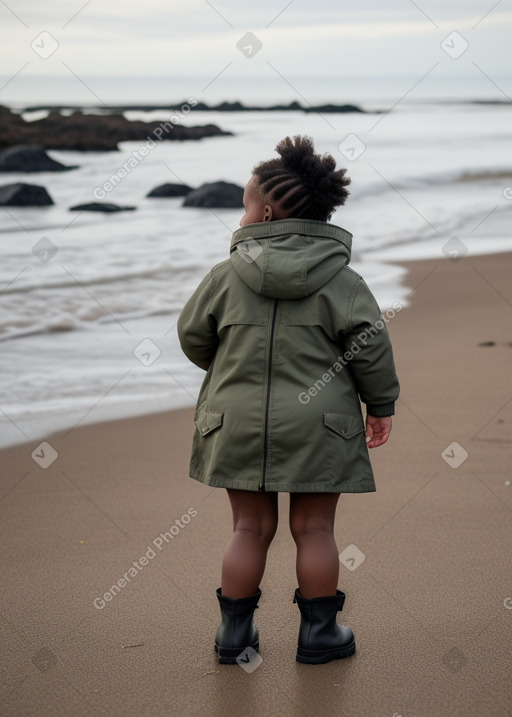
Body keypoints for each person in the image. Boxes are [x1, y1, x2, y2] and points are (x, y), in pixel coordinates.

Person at [177, 135, 399, 665]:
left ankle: (235, 637)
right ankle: (319, 636)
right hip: (321, 423)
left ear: (266, 211)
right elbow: (370, 347)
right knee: (315, 529)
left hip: (236, 421)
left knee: (249, 528)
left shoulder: (226, 276)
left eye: (245, 203)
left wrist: (231, 372)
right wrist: (381, 404)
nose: (242, 212)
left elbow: (192, 335)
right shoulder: (343, 280)